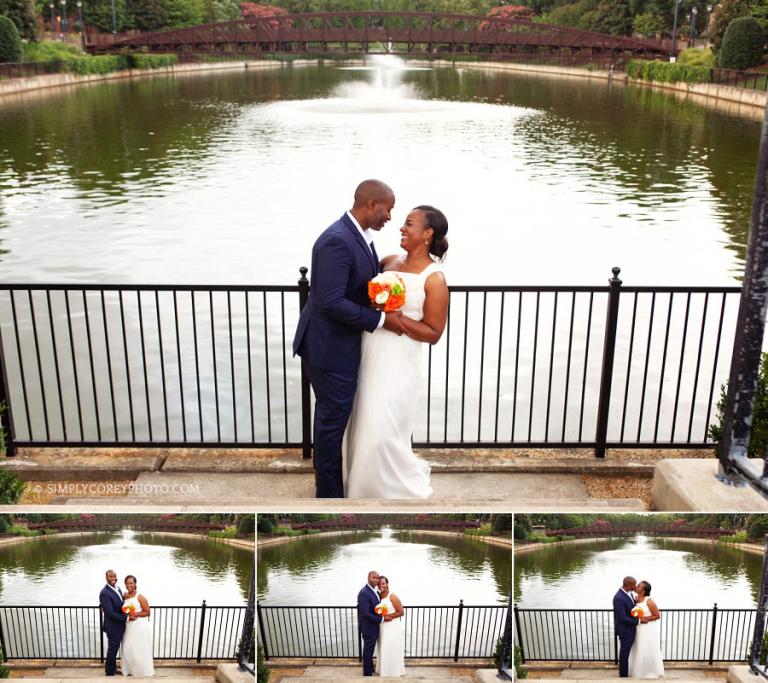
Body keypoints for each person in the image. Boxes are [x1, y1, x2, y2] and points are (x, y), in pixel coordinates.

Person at [293, 180, 406, 498]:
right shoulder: (337, 240)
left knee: (331, 416)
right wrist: (382, 319)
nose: (390, 217)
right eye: (388, 209)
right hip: (328, 348)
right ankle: (328, 496)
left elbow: (356, 283)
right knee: (331, 422)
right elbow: (329, 301)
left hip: (338, 344)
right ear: (371, 204)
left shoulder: (362, 237)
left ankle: (329, 483)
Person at [344, 205, 449, 498]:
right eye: (403, 224)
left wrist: (397, 319)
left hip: (400, 360)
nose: (402, 228)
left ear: (427, 234)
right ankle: (356, 485)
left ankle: (388, 487)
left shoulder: (434, 279)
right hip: (369, 350)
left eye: (410, 224)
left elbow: (434, 332)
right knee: (362, 417)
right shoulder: (388, 261)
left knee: (383, 426)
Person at [628, 580, 664, 678]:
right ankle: (637, 671)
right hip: (637, 628)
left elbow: (657, 616)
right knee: (638, 649)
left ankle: (649, 672)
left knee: (646, 649)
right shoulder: (635, 598)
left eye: (639, 586)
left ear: (643, 591)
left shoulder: (649, 601)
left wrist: (644, 619)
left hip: (647, 629)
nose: (636, 586)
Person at [120, 575, 155, 677]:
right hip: (129, 626)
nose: (129, 585)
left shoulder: (140, 597)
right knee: (128, 647)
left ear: (135, 584)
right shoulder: (125, 595)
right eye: (127, 583)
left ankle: (141, 670)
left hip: (139, 626)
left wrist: (134, 614)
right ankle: (129, 669)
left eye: (131, 583)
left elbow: (147, 612)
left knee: (139, 648)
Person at [376, 575, 405, 677]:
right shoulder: (378, 596)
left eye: (383, 583)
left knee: (391, 648)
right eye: (379, 584)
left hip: (392, 626)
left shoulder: (392, 596)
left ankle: (394, 671)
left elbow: (401, 612)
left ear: (387, 584)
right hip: (383, 626)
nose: (381, 586)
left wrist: (389, 616)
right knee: (383, 647)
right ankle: (384, 671)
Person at [99, 570, 126, 676]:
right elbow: (110, 613)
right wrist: (125, 618)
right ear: (106, 578)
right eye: (110, 576)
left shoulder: (118, 588)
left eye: (114, 576)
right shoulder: (104, 592)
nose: (113, 578)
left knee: (114, 648)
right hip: (112, 626)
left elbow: (120, 603)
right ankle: (109, 672)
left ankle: (112, 669)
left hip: (119, 625)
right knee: (112, 649)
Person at [613, 576, 640, 678]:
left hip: (630, 629)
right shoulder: (619, 598)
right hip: (625, 630)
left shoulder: (629, 593)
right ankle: (623, 676)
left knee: (626, 652)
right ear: (627, 585)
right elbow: (622, 617)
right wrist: (638, 621)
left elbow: (630, 608)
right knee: (624, 654)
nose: (635, 587)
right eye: (634, 585)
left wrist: (635, 602)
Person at [357, 570, 382, 677]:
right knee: (368, 651)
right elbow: (365, 613)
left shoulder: (375, 590)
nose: (376, 580)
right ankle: (367, 674)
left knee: (370, 650)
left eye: (377, 578)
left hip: (373, 627)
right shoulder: (364, 593)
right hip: (368, 628)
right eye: (373, 577)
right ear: (368, 577)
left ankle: (370, 668)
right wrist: (380, 619)